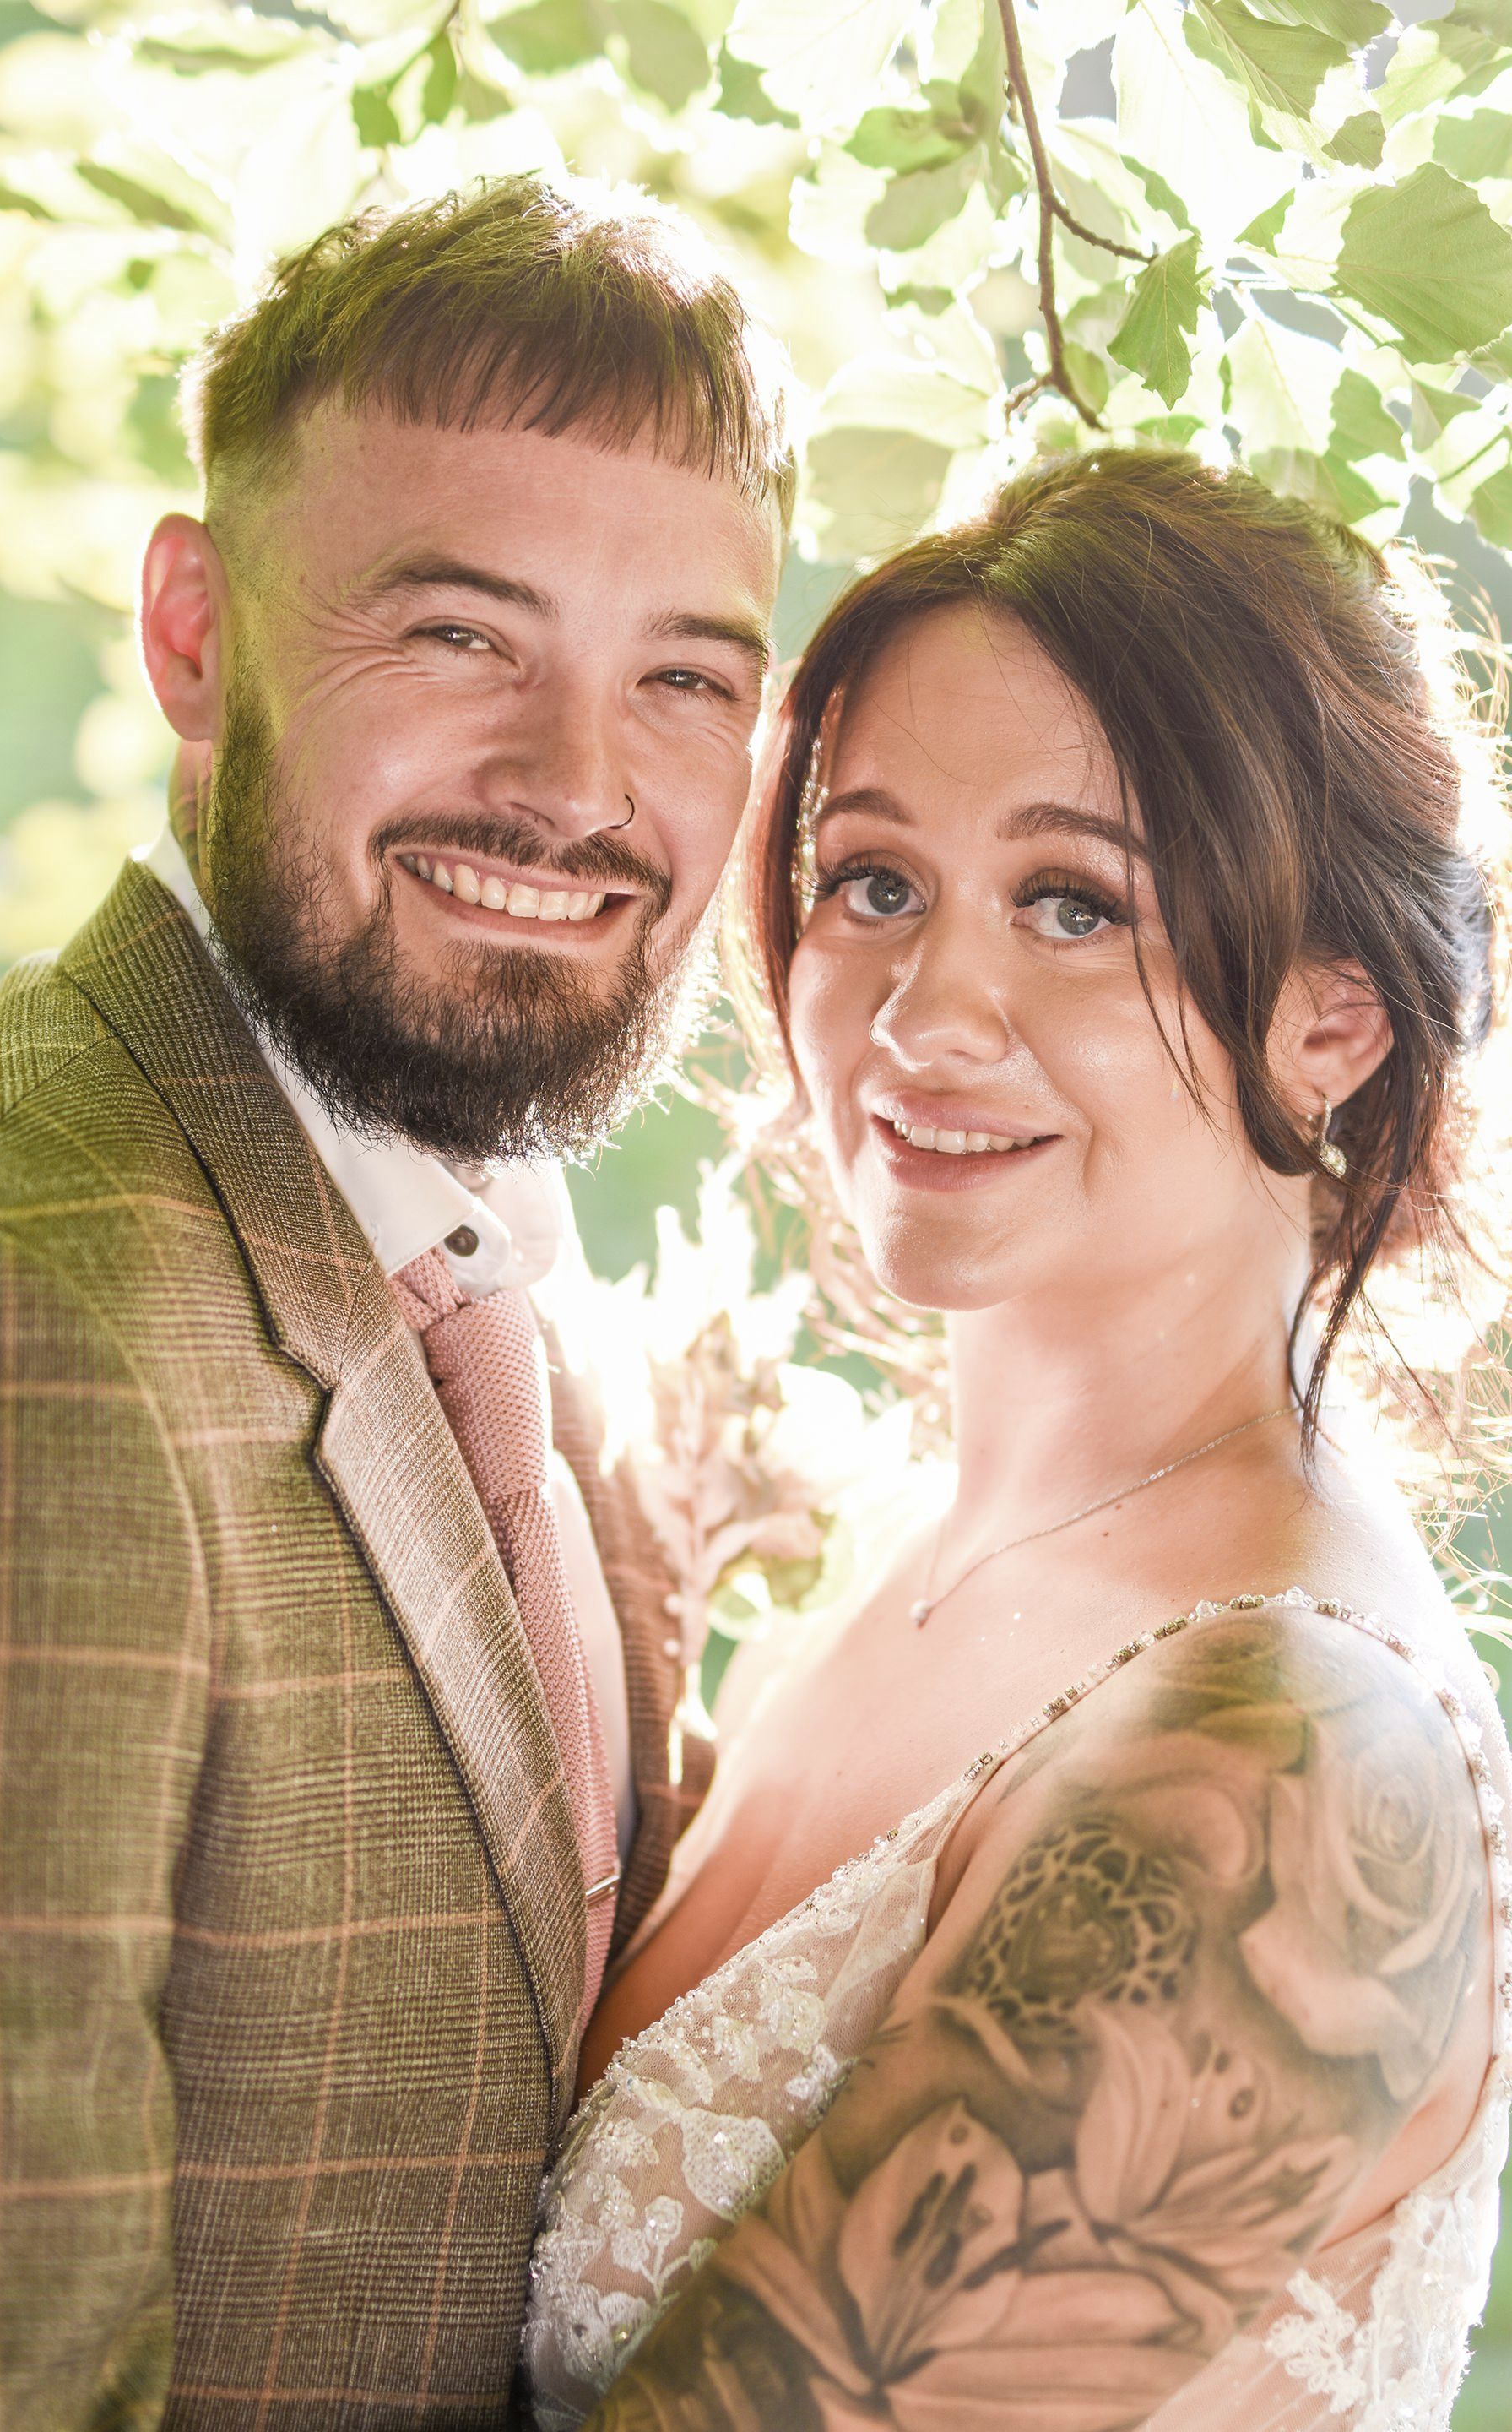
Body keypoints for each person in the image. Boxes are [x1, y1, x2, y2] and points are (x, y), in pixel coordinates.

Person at [0, 174, 788, 2426]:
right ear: (194, 635)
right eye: (463, 635)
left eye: (683, 675)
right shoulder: (2, 1317)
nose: (581, 788)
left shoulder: (472, 1245)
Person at [523, 449, 1512, 2431]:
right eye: (875, 884)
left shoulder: (1293, 1772)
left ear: (1333, 1023)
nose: (924, 1012)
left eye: (1073, 904)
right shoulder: (909, 1554)